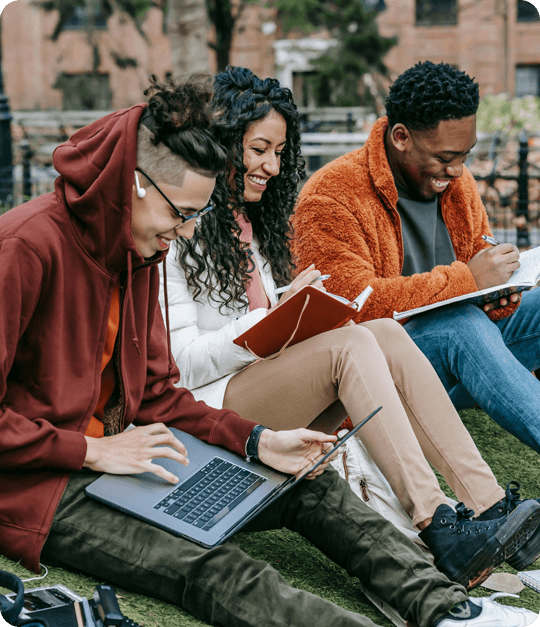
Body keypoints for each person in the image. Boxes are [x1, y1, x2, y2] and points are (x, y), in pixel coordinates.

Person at [1, 74, 534, 627]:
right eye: (180, 214)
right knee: (213, 570)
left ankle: (448, 611)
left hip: (137, 453)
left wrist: (258, 441)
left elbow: (159, 393)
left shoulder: (137, 248)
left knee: (308, 480)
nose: (183, 234)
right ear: (135, 184)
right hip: (49, 487)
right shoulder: (25, 248)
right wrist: (90, 452)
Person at [158, 66, 540, 595]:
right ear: (221, 145)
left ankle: (486, 504)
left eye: (278, 152)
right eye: (257, 150)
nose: (271, 166)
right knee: (359, 338)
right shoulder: (173, 229)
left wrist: (296, 316)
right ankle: (436, 521)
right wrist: (271, 321)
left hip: (263, 381)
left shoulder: (256, 223)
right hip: (209, 408)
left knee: (379, 332)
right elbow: (179, 368)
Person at [292, 60, 540, 458]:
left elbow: (478, 261)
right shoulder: (331, 193)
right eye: (445, 157)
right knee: (458, 325)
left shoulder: (458, 183)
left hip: (459, 362)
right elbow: (345, 306)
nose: (457, 170)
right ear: (402, 137)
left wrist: (499, 292)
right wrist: (468, 281)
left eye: (466, 154)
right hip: (375, 381)